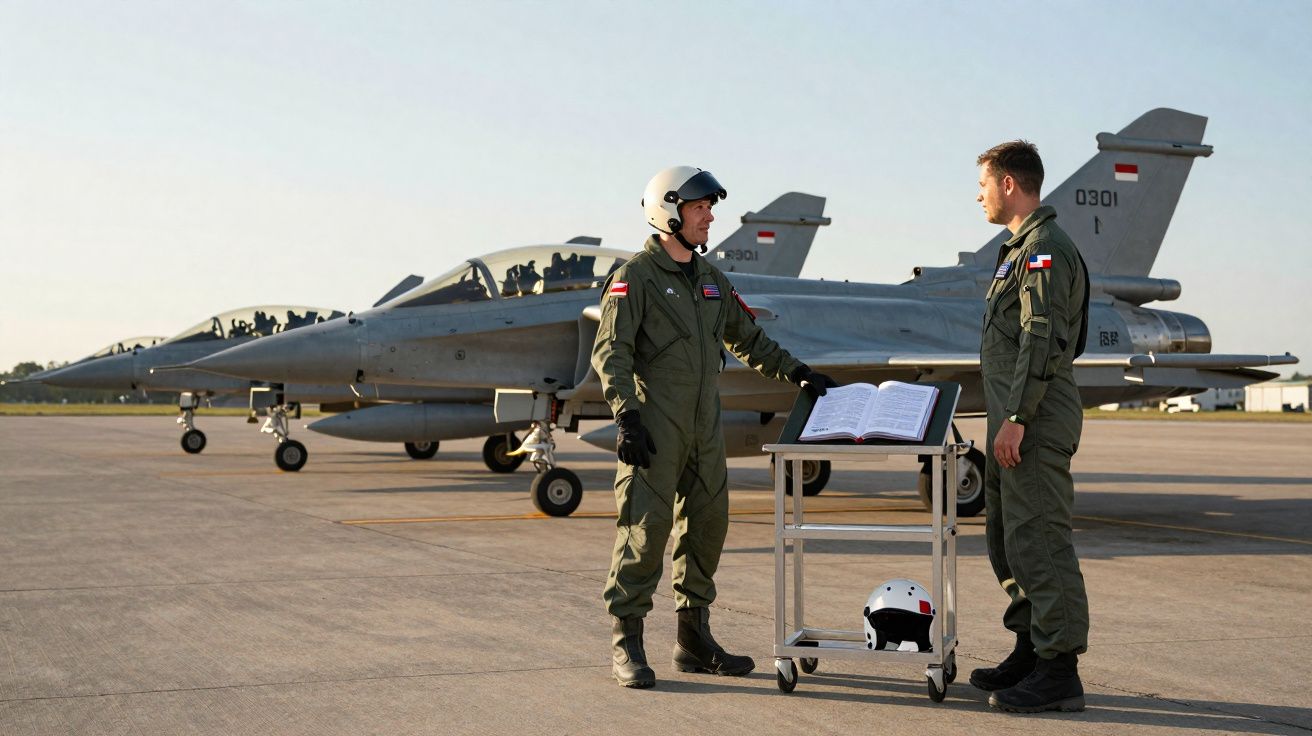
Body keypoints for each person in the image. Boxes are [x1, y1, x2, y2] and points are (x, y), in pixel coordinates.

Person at [592, 166, 836, 688]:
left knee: (707, 530)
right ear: (670, 211)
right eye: (700, 208)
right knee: (644, 532)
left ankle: (693, 639)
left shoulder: (710, 280)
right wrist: (626, 414)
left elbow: (748, 338)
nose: (709, 217)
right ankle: (627, 644)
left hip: (705, 430)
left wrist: (797, 372)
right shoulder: (635, 277)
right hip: (655, 426)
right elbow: (610, 350)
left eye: (708, 207)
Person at [971, 140, 1091, 713]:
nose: (979, 194)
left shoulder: (1044, 249)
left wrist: (1018, 417)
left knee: (1040, 540)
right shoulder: (1016, 250)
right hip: (1012, 421)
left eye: (984, 184)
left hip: (1032, 421)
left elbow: (1042, 338)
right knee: (1008, 541)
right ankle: (1030, 646)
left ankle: (1059, 669)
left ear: (1010, 185)